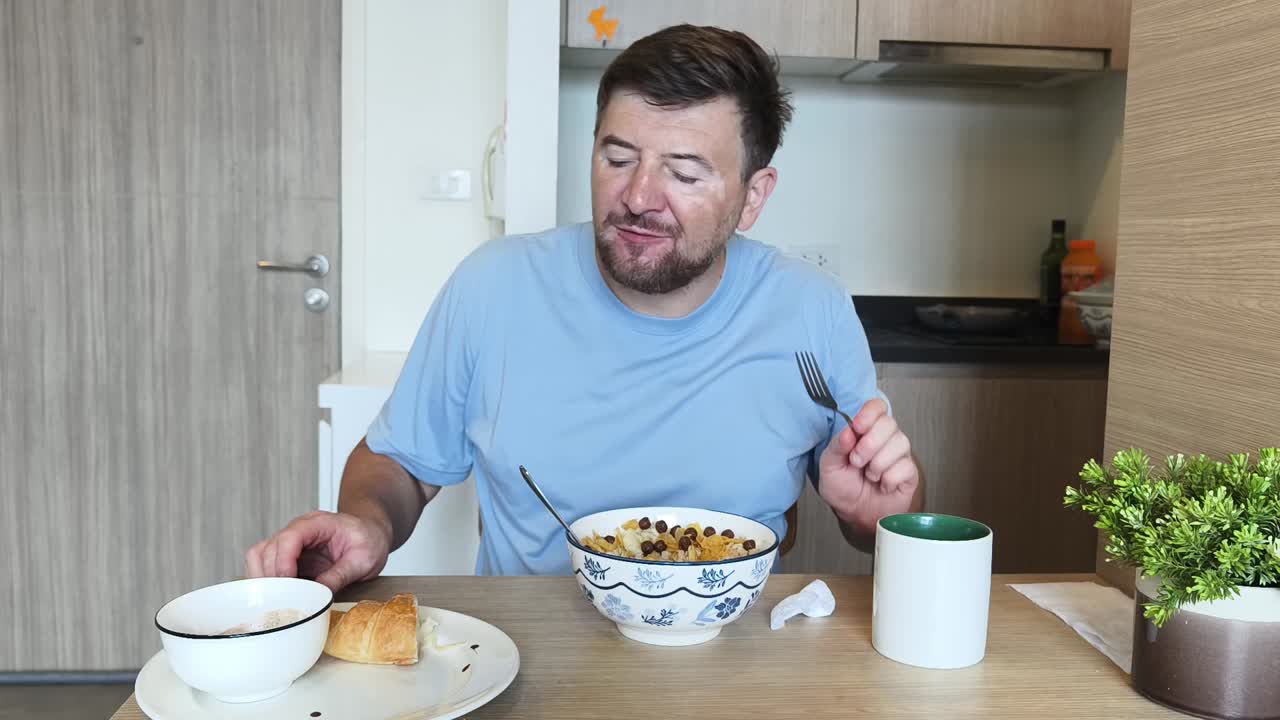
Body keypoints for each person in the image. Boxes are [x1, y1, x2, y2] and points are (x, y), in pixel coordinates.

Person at [245, 24, 923, 592]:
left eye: (685, 174)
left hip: (730, 663)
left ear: (753, 196)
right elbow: (398, 462)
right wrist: (367, 523)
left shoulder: (811, 310)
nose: (639, 197)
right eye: (617, 157)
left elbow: (878, 520)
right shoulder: (494, 287)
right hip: (529, 654)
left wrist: (876, 518)